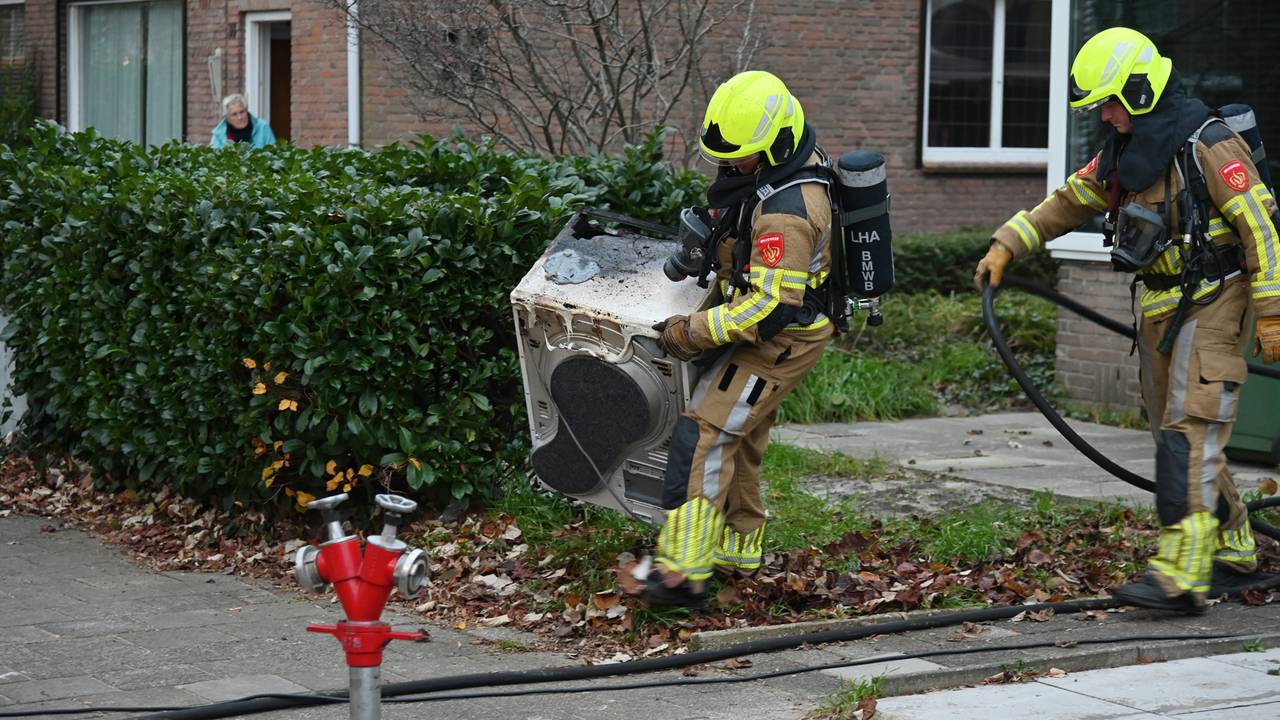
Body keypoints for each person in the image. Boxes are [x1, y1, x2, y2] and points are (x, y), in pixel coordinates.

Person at [974, 27, 1280, 613]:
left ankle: (1181, 572)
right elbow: (1071, 199)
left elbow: (1261, 226)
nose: (1105, 116)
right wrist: (1008, 243)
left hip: (1216, 300)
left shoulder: (1208, 143)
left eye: (1110, 103)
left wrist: (1271, 313)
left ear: (1139, 91)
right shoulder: (1127, 150)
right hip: (1161, 307)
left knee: (1189, 431)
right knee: (1176, 435)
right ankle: (1233, 542)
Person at [648, 70, 836, 606]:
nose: (732, 167)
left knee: (704, 434)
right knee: (741, 438)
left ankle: (683, 572)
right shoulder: (785, 167)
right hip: (777, 328)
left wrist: (692, 333)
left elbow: (771, 306)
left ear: (777, 144)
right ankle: (738, 552)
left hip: (781, 341)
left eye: (741, 158)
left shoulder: (787, 214)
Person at [209, 93, 276, 148]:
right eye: (234, 114)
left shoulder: (263, 127)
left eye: (242, 112)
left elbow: (274, 153)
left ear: (247, 111)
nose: (240, 117)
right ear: (227, 118)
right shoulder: (219, 133)